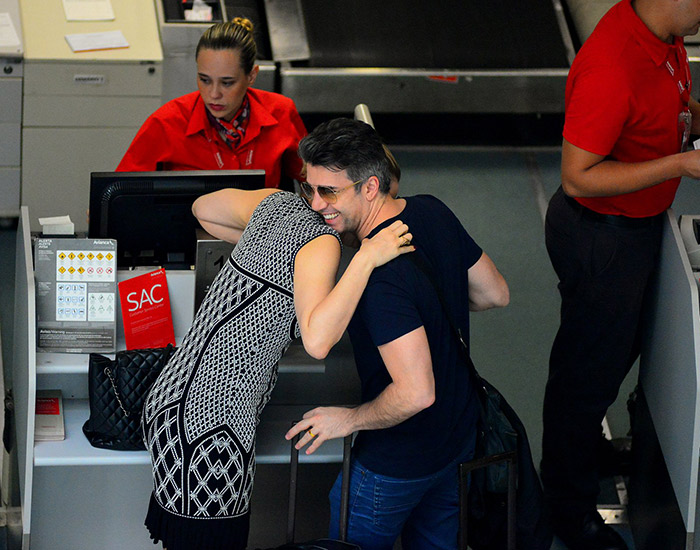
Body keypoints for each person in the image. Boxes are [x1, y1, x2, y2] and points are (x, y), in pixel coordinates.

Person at [141, 186, 415, 550]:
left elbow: (202, 209)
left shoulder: (275, 201)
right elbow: (318, 342)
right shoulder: (322, 240)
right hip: (211, 427)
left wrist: (261, 238)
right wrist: (366, 258)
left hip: (172, 399)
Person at [285, 118, 510, 549]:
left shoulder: (379, 280)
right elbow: (494, 293)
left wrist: (347, 419)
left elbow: (415, 393)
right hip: (458, 441)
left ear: (370, 187)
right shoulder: (432, 209)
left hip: (397, 463)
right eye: (308, 189)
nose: (315, 205)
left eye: (328, 191)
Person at [542, 0, 700, 548]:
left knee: (616, 353)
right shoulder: (613, 64)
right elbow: (578, 178)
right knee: (584, 379)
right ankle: (566, 507)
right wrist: (682, 165)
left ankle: (582, 451)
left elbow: (670, 108)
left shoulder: (664, 38)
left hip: (633, 230)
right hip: (600, 237)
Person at [117, 18, 306, 190]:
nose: (213, 94)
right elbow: (118, 191)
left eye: (227, 82)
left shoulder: (280, 112)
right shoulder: (166, 122)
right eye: (205, 80)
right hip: (189, 226)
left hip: (263, 225)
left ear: (251, 76)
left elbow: (313, 180)